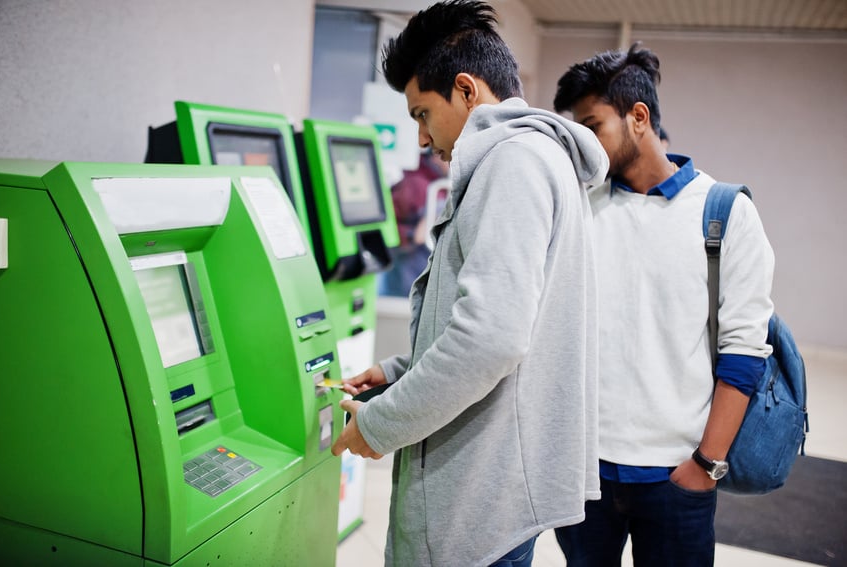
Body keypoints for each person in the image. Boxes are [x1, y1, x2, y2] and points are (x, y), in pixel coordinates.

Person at [330, 1, 609, 565]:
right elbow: (504, 323)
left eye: (422, 114)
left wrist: (381, 425)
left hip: (480, 502)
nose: (421, 138)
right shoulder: (538, 159)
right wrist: (401, 372)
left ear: (465, 90)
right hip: (498, 484)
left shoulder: (512, 164)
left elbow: (491, 339)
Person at [552, 43, 775, 566]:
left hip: (676, 479)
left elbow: (744, 354)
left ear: (638, 117)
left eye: (593, 128)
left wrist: (704, 466)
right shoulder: (581, 210)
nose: (586, 149)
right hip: (585, 478)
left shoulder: (724, 214)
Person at [380, 149, 448, 297]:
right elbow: (384, 226)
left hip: (421, 279)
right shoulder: (415, 184)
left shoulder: (440, 182)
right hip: (406, 280)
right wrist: (412, 235)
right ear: (436, 155)